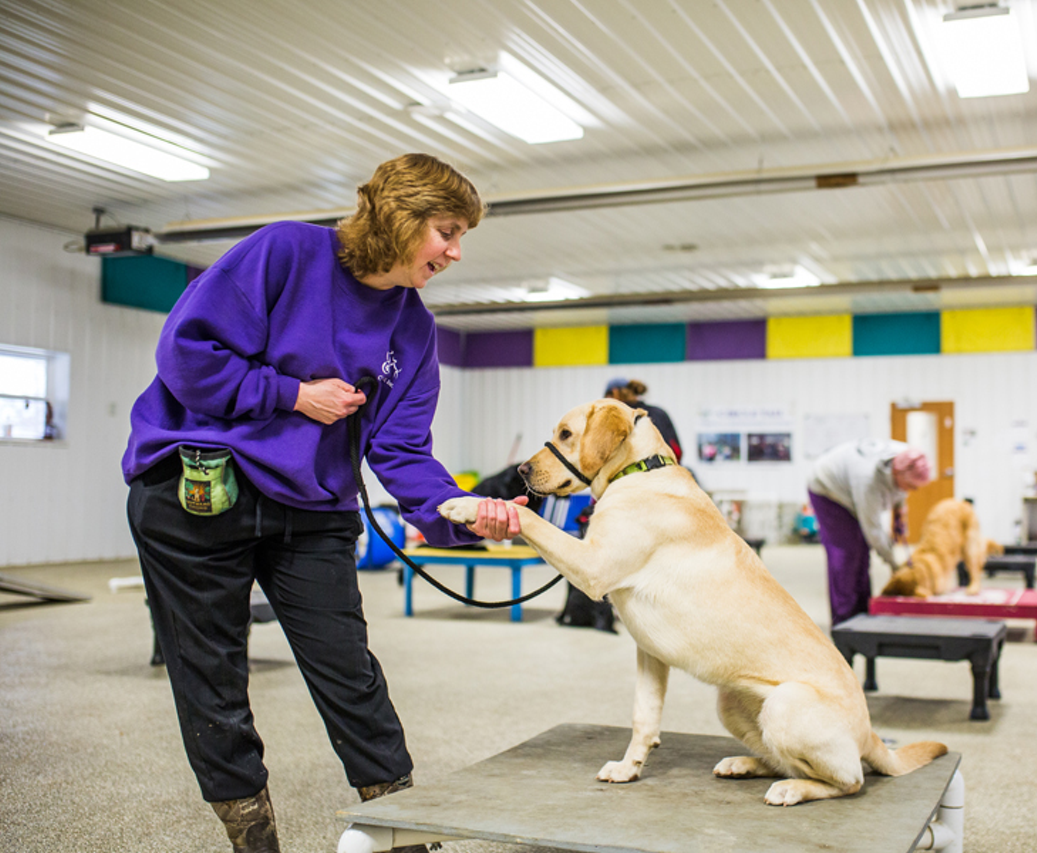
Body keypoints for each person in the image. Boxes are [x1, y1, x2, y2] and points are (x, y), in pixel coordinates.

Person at [121, 153, 524, 853]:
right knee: (212, 678)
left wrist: (460, 513)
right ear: (401, 219)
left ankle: (404, 831)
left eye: (462, 237)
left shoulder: (413, 329)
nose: (456, 252)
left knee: (350, 671)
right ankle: (254, 839)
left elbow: (401, 450)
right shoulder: (286, 251)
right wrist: (291, 394)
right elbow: (187, 354)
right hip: (198, 494)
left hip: (312, 507)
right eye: (447, 231)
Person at [806, 439, 932, 627]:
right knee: (847, 553)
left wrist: (899, 512)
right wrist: (895, 564)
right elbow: (873, 530)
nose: (911, 491)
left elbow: (900, 492)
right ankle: (844, 621)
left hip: (851, 484)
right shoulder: (868, 480)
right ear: (897, 473)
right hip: (828, 488)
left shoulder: (907, 456)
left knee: (863, 553)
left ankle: (863, 612)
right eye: (911, 486)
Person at [602, 377, 682, 462]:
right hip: (668, 470)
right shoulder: (659, 413)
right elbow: (676, 451)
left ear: (614, 393)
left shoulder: (617, 418)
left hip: (633, 474)